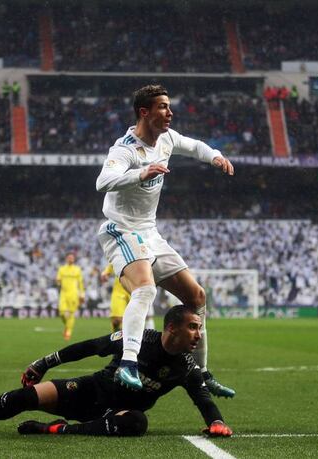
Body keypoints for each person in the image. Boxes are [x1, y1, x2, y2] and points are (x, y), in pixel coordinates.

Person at [96, 84, 235, 394]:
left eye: (169, 106)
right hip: (120, 229)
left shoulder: (167, 139)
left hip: (149, 233)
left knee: (196, 297)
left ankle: (201, 373)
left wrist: (215, 156)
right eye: (162, 107)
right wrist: (141, 173)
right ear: (144, 112)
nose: (170, 112)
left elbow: (196, 145)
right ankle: (128, 363)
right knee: (145, 290)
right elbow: (103, 182)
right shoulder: (124, 149)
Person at [0, 305, 233, 438]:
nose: (198, 334)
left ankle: (57, 429)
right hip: (90, 389)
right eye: (193, 327)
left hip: (115, 414)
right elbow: (89, 347)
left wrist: (217, 422)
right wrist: (44, 363)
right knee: (26, 396)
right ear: (171, 327)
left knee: (137, 423)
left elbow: (203, 400)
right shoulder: (136, 338)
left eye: (199, 328)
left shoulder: (188, 368)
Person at [101, 263, 155, 332]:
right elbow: (113, 262)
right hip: (119, 290)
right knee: (116, 320)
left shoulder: (142, 255)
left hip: (135, 290)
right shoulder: (121, 254)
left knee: (136, 320)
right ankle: (117, 339)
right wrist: (106, 272)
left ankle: (130, 339)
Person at [56, 252, 85, 340]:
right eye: (69, 257)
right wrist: (58, 281)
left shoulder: (77, 269)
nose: (70, 259)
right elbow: (58, 279)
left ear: (74, 259)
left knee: (71, 314)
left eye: (72, 258)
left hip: (74, 294)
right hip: (63, 294)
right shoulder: (61, 269)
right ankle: (67, 326)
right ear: (66, 259)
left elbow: (80, 283)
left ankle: (68, 332)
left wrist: (82, 294)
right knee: (62, 313)